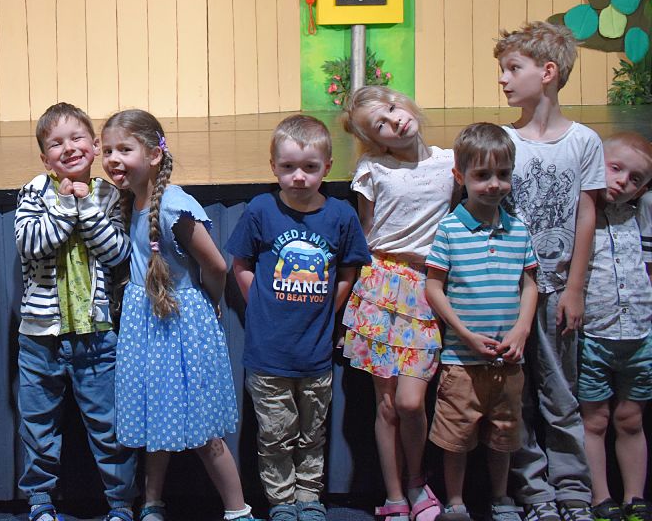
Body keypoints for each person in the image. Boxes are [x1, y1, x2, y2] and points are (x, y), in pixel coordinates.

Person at [100, 109, 253, 521]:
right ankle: (152, 502)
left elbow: (216, 265)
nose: (113, 158)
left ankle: (237, 509)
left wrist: (211, 301)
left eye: (125, 149)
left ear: (154, 155)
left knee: (202, 428)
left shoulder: (174, 207)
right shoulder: (130, 200)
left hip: (179, 325)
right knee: (157, 417)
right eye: (107, 150)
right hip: (146, 324)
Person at [227, 114, 371, 521]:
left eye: (310, 167)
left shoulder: (340, 216)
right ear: (273, 166)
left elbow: (349, 269)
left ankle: (309, 496)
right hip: (268, 355)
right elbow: (241, 262)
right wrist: (260, 302)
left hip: (315, 355)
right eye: (288, 167)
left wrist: (329, 307)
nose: (299, 177)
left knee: (312, 433)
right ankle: (281, 501)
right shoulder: (261, 209)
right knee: (275, 434)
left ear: (327, 167)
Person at [494, 22, 606, 521]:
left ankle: (573, 490)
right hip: (511, 291)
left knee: (561, 394)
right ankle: (533, 491)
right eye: (502, 69)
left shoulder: (583, 141)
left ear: (548, 72)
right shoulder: (502, 140)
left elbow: (586, 214)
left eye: (512, 68)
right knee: (514, 396)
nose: (503, 79)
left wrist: (575, 287)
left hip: (558, 289)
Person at [13, 103, 137, 521]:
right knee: (38, 426)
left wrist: (86, 207)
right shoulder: (34, 191)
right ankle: (40, 502)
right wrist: (67, 205)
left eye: (77, 138)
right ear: (44, 157)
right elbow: (31, 244)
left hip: (96, 333)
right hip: (40, 337)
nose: (68, 148)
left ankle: (120, 504)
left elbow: (117, 252)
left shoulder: (109, 195)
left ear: (95, 145)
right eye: (56, 143)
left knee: (109, 426)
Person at [339, 88, 455, 521]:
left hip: (427, 286)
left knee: (410, 402)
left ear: (403, 101)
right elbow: (366, 232)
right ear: (375, 140)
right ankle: (395, 495)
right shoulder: (373, 169)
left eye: (391, 109)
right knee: (386, 404)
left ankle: (417, 479)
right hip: (381, 284)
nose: (395, 121)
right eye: (380, 125)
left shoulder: (450, 162)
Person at [425, 122, 538, 521]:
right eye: (482, 175)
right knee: (456, 437)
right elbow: (434, 287)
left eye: (503, 174)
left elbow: (530, 284)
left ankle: (501, 498)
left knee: (504, 435)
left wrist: (522, 329)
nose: (494, 184)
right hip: (461, 361)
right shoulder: (449, 229)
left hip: (508, 361)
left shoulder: (518, 229)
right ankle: (455, 502)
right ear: (460, 177)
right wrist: (465, 334)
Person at [577, 133, 652, 521]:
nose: (623, 181)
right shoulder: (581, 214)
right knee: (595, 420)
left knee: (631, 419)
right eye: (616, 168)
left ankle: (635, 496)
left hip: (639, 337)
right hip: (594, 336)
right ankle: (600, 497)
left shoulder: (638, 217)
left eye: (635, 178)